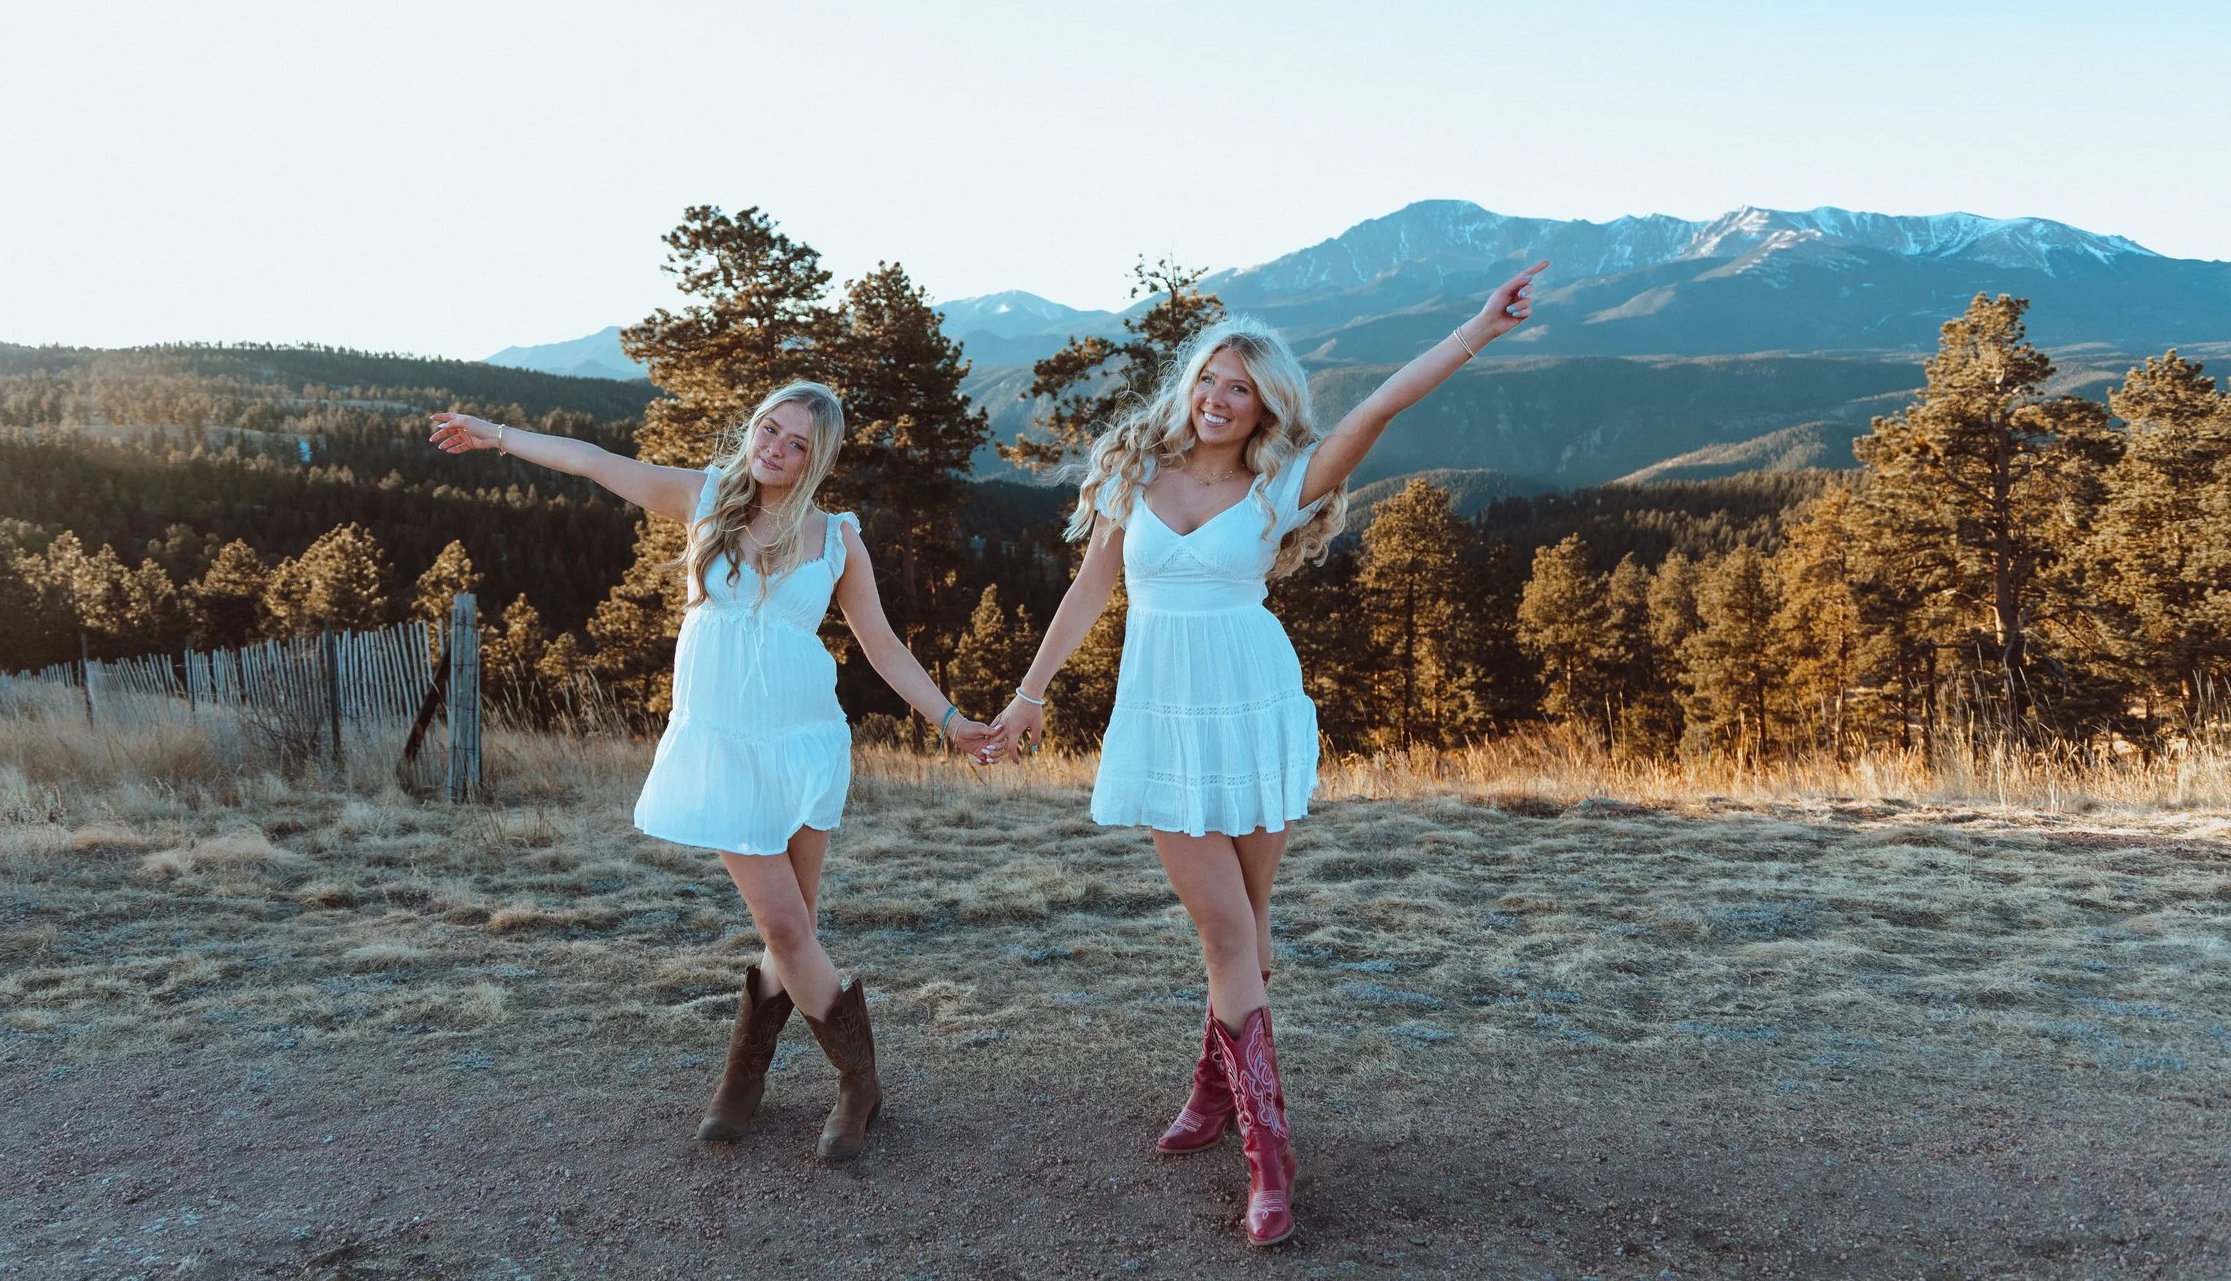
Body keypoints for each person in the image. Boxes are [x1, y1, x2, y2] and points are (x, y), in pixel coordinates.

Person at [990, 263, 1548, 1243]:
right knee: (1226, 931)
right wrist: (1030, 693)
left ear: (1264, 406)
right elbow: (1090, 588)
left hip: (1252, 708)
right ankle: (1268, 1156)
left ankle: (1215, 1096)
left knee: (1246, 929)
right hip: (1164, 717)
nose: (1216, 398)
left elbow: (1379, 406)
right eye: (1208, 378)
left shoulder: (1281, 483)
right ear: (1189, 384)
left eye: (1239, 388)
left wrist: (1477, 330)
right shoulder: (1133, 468)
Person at [430, 381, 1002, 1162]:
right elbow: (593, 460)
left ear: (817, 459)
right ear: (753, 427)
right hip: (724, 748)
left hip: (805, 744)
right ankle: (854, 1080)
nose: (776, 449)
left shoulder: (836, 536)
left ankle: (747, 1077)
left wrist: (949, 719)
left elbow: (881, 644)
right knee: (785, 926)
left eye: (797, 444)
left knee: (794, 928)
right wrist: (495, 432)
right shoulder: (704, 497)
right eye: (770, 429)